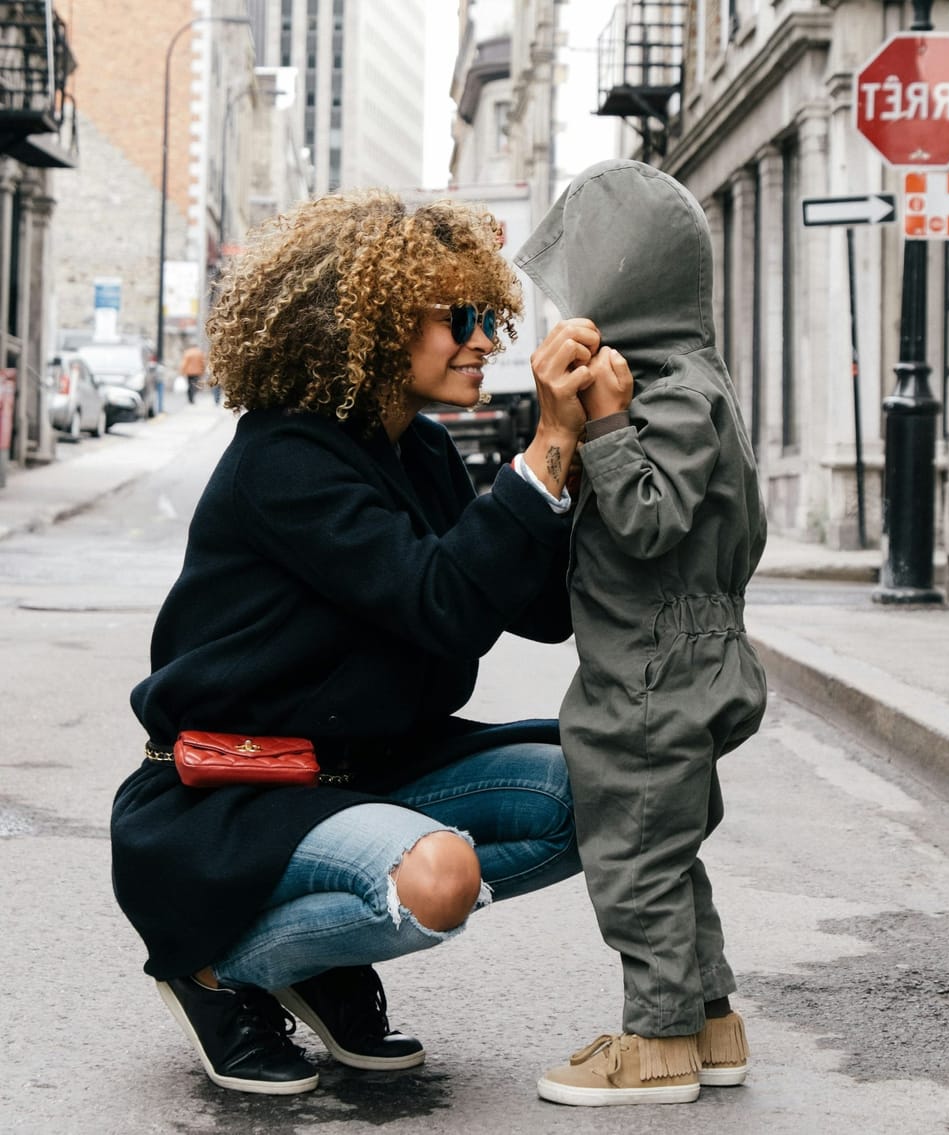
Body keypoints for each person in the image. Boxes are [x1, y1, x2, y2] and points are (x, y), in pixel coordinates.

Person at [111, 188, 600, 1096]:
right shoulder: (285, 461)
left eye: (492, 315)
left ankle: (316, 956)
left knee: (601, 793)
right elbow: (442, 603)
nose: (488, 340)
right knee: (438, 879)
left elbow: (536, 608)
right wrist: (542, 452)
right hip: (235, 796)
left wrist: (585, 444)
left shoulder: (419, 451)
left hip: (370, 769)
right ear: (372, 321)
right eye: (462, 318)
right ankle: (222, 967)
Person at [515, 159, 768, 1106]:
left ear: (626, 283)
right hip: (687, 657)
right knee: (670, 850)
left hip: (650, 674)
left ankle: (655, 1043)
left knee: (631, 857)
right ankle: (709, 1020)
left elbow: (652, 519)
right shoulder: (696, 381)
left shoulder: (664, 394)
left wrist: (607, 428)